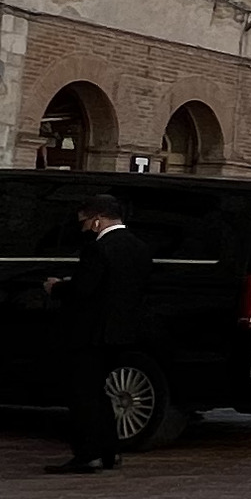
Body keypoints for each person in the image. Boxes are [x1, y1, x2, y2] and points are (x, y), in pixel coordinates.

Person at [45, 196, 153, 473]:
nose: (82, 228)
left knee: (83, 394)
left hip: (90, 333)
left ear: (97, 220)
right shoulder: (139, 247)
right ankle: (109, 451)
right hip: (123, 332)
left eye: (84, 222)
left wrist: (57, 288)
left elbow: (84, 290)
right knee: (102, 392)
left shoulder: (99, 248)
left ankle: (88, 453)